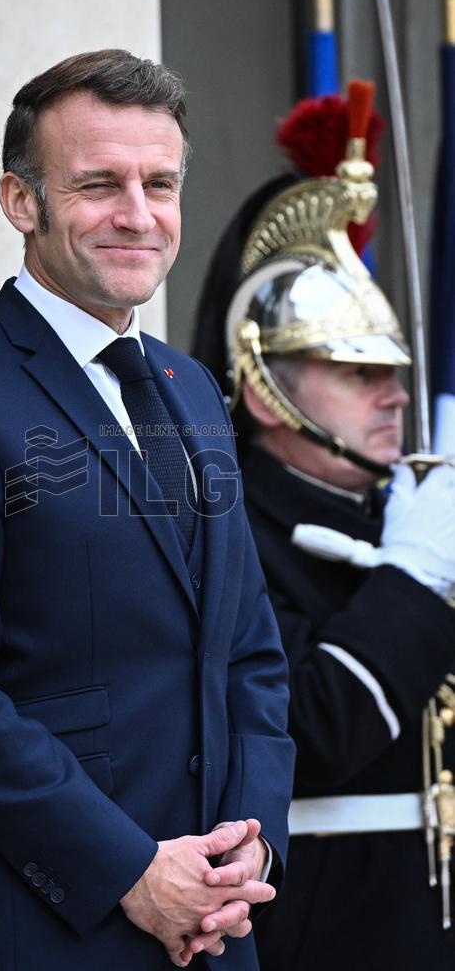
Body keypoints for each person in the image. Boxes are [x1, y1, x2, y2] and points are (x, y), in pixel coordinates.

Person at [0, 49, 294, 971]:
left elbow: (249, 648)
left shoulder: (192, 385)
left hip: (217, 926)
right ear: (22, 202)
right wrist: (129, 870)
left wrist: (253, 845)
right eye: (99, 184)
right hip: (33, 928)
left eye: (160, 184)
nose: (138, 214)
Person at [192, 91, 455, 970]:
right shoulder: (222, 531)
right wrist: (414, 579)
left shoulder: (407, 514)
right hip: (322, 929)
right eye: (358, 371)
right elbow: (309, 731)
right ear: (269, 391)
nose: (396, 395)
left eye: (395, 370)